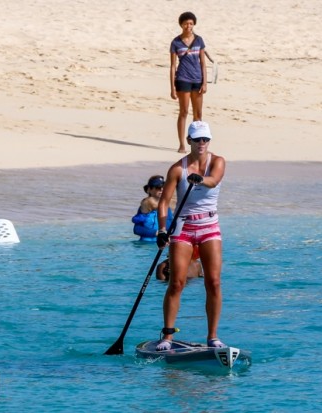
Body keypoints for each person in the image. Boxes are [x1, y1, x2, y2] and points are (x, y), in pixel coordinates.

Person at [155, 120, 225, 351]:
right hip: (183, 227)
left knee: (213, 282)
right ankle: (167, 337)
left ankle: (213, 337)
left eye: (205, 139)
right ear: (189, 141)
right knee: (176, 282)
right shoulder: (177, 169)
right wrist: (162, 230)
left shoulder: (218, 162)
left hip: (209, 226)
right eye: (197, 139)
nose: (202, 143)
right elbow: (164, 202)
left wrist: (200, 180)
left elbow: (213, 180)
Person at [170, 11, 207, 154]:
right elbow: (173, 66)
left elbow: (203, 63)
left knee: (198, 114)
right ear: (181, 25)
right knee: (184, 112)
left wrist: (205, 82)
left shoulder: (199, 40)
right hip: (182, 79)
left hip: (197, 80)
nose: (188, 26)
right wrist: (172, 87)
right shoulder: (176, 42)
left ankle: (196, 143)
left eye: (191, 23)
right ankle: (181, 144)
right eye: (186, 24)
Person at [132, 175, 174, 242]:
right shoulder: (145, 207)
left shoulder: (167, 208)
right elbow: (137, 229)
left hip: (162, 243)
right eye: (158, 187)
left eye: (163, 187)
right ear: (149, 190)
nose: (162, 189)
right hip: (145, 245)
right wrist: (156, 233)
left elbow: (172, 226)